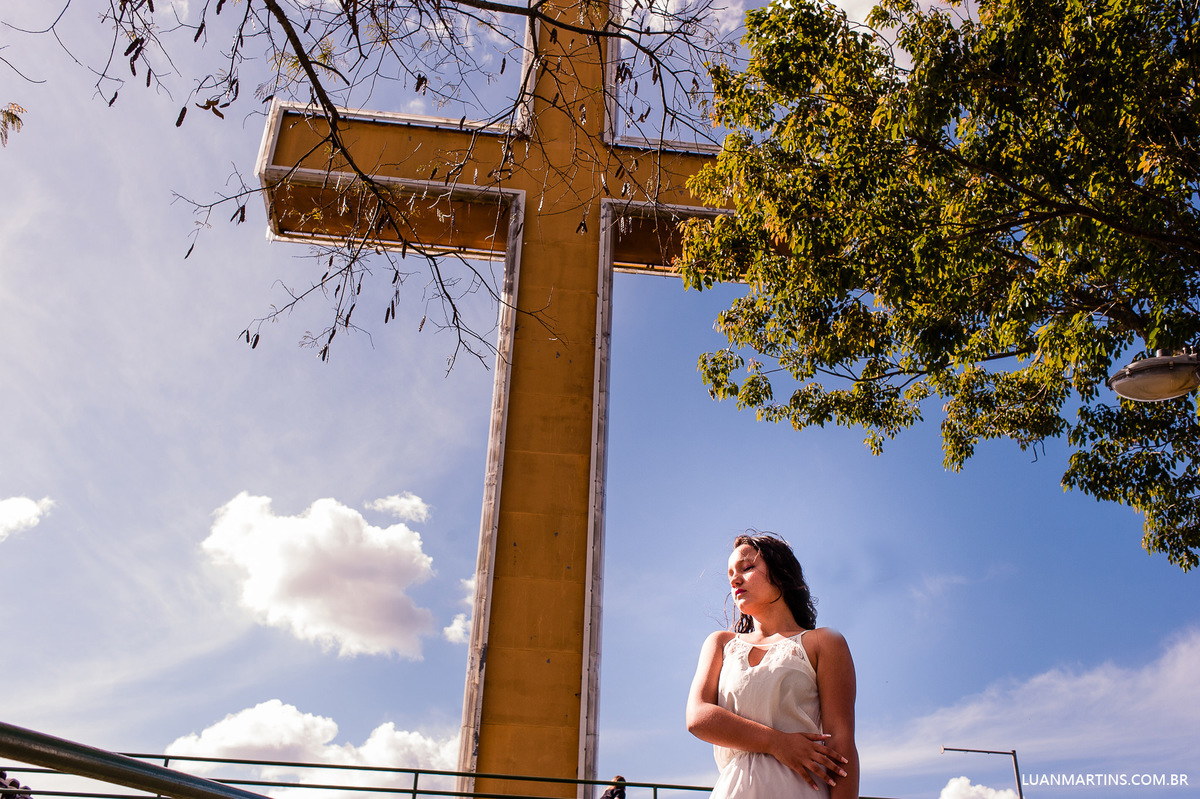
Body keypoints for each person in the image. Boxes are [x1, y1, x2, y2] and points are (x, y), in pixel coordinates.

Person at [686, 533, 859, 798]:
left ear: (781, 573)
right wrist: (777, 742)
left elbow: (841, 744)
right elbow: (698, 717)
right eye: (731, 573)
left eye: (747, 567)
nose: (734, 579)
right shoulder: (720, 643)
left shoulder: (824, 643)